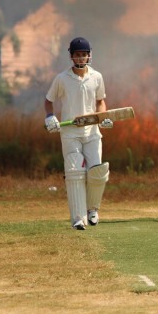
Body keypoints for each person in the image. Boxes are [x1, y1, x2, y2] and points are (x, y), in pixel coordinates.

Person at [44, 37, 112, 230]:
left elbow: (100, 101)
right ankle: (77, 218)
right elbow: (49, 100)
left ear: (89, 55)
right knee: (75, 173)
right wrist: (50, 116)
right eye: (77, 55)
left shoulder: (97, 77)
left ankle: (92, 210)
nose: (81, 58)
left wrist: (103, 116)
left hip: (92, 132)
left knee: (96, 173)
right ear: (71, 57)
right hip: (70, 133)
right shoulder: (62, 78)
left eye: (84, 54)